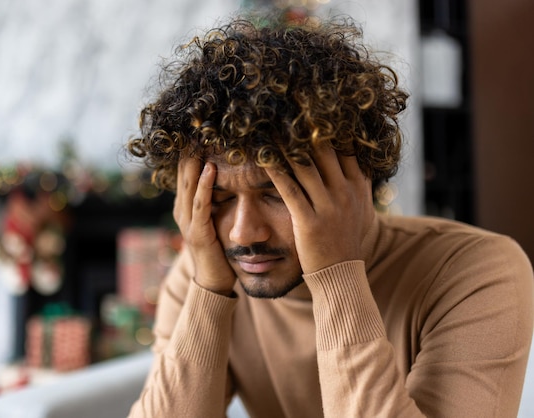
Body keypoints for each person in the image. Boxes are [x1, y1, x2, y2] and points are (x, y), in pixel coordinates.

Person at [125, 11, 533, 417]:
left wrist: (337, 274)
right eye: (220, 199)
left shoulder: (477, 272)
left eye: (278, 195)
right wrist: (208, 291)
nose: (242, 234)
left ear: (357, 184)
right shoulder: (205, 272)